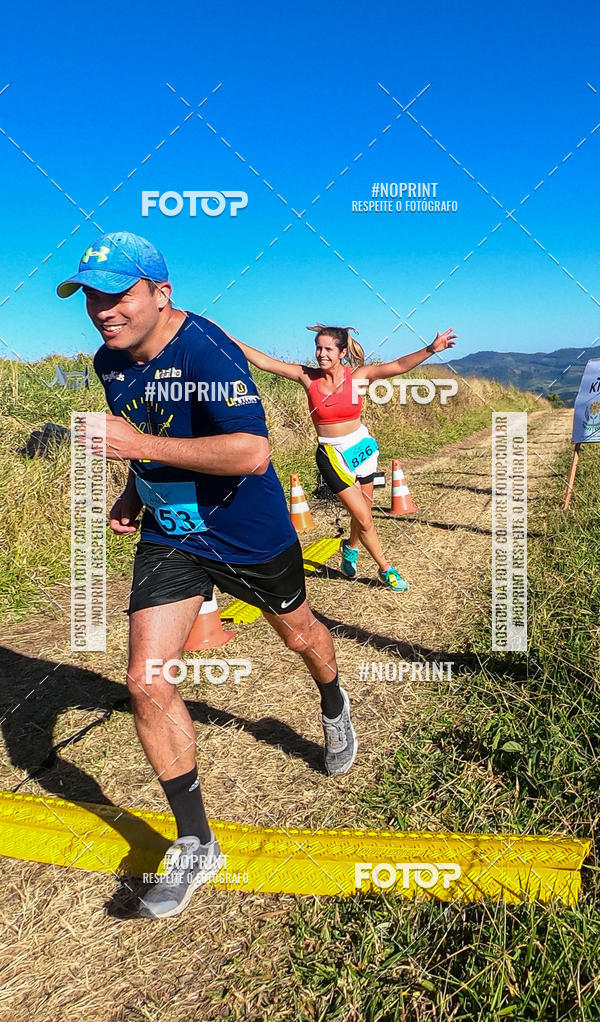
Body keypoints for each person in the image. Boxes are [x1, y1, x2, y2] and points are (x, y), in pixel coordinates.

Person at [57, 231, 357, 919]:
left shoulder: (205, 349)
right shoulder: (109, 361)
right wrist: (137, 484)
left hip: (248, 534)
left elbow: (252, 452)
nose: (103, 308)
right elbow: (150, 428)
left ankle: (335, 704)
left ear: (161, 294)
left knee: (301, 634)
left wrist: (137, 447)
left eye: (119, 292)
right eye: (92, 296)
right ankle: (197, 840)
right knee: (144, 678)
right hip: (173, 534)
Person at [230, 324, 457, 588]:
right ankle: (386, 569)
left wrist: (431, 349)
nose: (321, 354)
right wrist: (225, 335)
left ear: (342, 352)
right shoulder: (308, 377)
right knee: (364, 517)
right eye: (318, 348)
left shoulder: (359, 377)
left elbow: (398, 365)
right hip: (332, 453)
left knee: (363, 511)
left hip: (362, 447)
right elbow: (264, 362)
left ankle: (350, 547)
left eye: (328, 349)